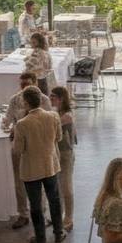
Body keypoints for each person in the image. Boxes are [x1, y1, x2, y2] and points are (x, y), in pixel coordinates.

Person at [13, 86, 64, 243]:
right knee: (54, 200)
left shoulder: (22, 124)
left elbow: (18, 150)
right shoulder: (53, 116)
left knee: (35, 205)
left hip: (31, 169)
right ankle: (58, 232)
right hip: (50, 165)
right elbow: (59, 137)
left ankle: (40, 238)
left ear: (26, 103)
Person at [1, 72, 47, 230]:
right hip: (19, 146)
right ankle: (23, 214)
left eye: (27, 84)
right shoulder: (15, 100)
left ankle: (41, 212)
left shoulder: (44, 100)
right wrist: (8, 125)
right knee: (19, 181)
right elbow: (7, 120)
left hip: (37, 147)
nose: (24, 87)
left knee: (40, 180)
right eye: (22, 85)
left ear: (35, 83)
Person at [49, 86, 78, 232]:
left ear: (61, 98)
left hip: (65, 154)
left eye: (53, 96)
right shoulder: (57, 112)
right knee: (57, 187)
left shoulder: (67, 115)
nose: (50, 98)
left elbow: (51, 127)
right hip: (56, 153)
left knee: (66, 186)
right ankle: (58, 215)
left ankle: (69, 217)